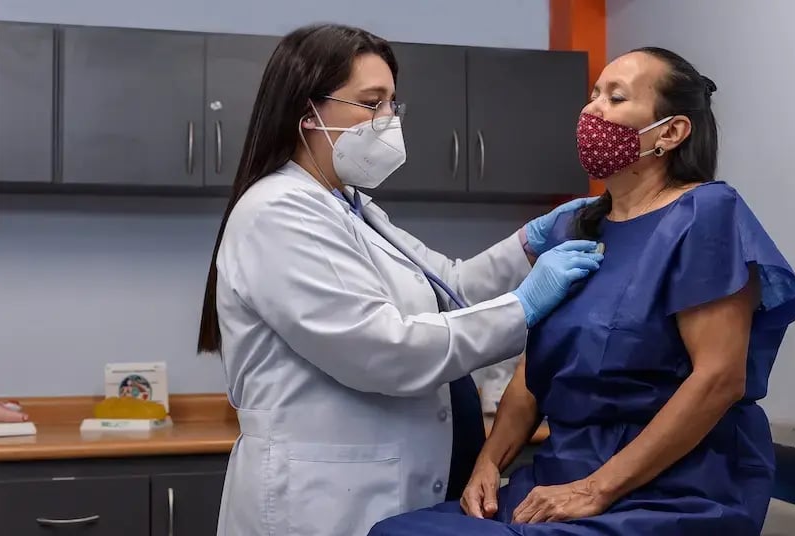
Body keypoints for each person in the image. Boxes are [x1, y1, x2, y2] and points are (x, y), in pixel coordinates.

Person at [370, 47, 795, 536]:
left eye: (615, 98)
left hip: (673, 489)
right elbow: (531, 375)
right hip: (561, 477)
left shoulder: (705, 216)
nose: (591, 110)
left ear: (671, 132)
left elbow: (720, 379)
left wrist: (597, 489)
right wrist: (487, 464)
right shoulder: (577, 230)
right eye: (593, 94)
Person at [195, 23, 604, 536]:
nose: (388, 120)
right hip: (319, 505)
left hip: (385, 490)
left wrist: (528, 244)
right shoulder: (277, 213)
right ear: (308, 113)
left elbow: (447, 285)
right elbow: (384, 349)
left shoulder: (351, 207)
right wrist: (523, 307)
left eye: (392, 103)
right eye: (371, 103)